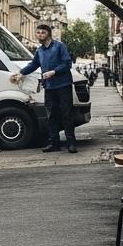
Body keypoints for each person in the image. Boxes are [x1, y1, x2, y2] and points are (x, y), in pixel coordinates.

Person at [10, 24, 77, 153]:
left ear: (48, 34)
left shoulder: (59, 46)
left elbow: (67, 63)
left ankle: (71, 143)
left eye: (43, 33)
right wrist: (21, 73)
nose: (40, 35)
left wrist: (54, 72)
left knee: (66, 114)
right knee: (51, 116)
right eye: (38, 32)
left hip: (63, 85)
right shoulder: (40, 50)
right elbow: (34, 64)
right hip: (50, 87)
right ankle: (54, 144)